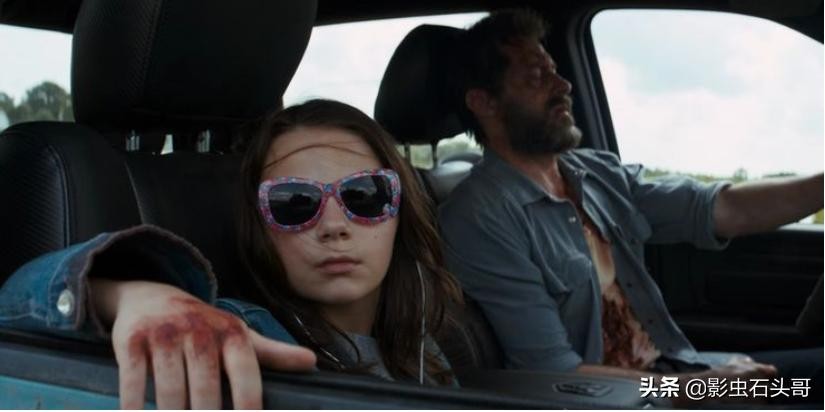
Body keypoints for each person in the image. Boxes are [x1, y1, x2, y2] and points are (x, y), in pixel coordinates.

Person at [438, 8, 823, 404]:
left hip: (677, 370)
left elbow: (717, 209)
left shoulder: (596, 172)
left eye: (554, 70)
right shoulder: (479, 218)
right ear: (484, 102)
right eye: (536, 76)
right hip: (625, 399)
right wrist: (707, 385)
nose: (563, 85)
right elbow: (554, 372)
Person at [0, 99, 462, 409]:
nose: (334, 225)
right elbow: (12, 302)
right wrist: (123, 295)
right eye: (294, 203)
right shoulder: (238, 336)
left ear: (399, 209)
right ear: (259, 227)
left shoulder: (419, 345)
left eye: (365, 195)